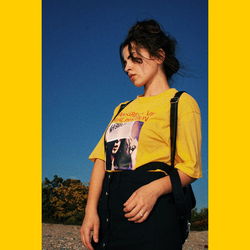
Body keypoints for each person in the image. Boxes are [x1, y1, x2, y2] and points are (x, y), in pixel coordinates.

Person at [80, 19, 202, 250]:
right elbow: (101, 160)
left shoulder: (180, 103)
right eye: (125, 61)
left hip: (152, 215)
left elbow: (190, 168)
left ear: (158, 56)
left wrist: (152, 190)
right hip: (110, 216)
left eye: (135, 59)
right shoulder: (122, 108)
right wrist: (90, 212)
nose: (127, 67)